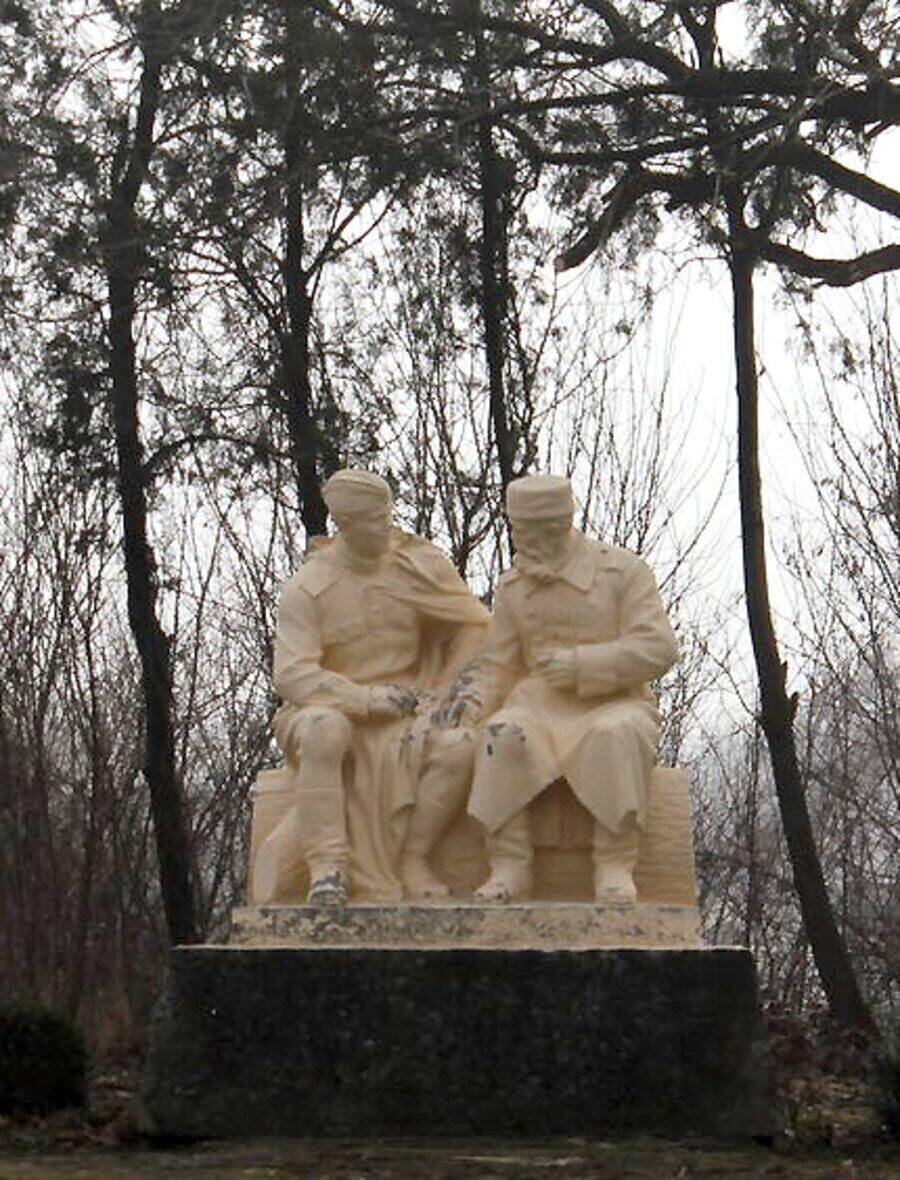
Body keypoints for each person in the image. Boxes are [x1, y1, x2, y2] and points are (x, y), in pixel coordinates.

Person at [440, 473, 679, 903]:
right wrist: (472, 701)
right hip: (538, 706)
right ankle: (509, 866)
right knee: (501, 735)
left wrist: (583, 665)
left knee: (611, 735)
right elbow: (499, 661)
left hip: (614, 702)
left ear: (560, 525)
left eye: (534, 532)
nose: (525, 543)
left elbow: (658, 648)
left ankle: (614, 863)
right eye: (520, 532)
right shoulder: (513, 586)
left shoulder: (622, 571)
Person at [265, 469, 488, 905]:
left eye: (387, 516)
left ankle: (414, 858)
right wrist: (363, 700)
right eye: (374, 521)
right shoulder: (309, 588)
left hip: (410, 703)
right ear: (345, 525)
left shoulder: (417, 565)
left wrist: (446, 688)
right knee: (324, 730)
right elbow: (293, 674)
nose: (387, 527)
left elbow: (475, 626)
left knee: (458, 746)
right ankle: (328, 867)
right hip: (327, 707)